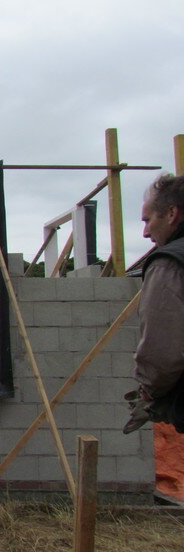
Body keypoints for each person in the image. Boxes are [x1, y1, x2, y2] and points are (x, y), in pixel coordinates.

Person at [124, 173, 184, 434]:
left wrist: (148, 393)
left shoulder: (169, 264)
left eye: (148, 220)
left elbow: (162, 350)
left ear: (171, 213)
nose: (146, 232)